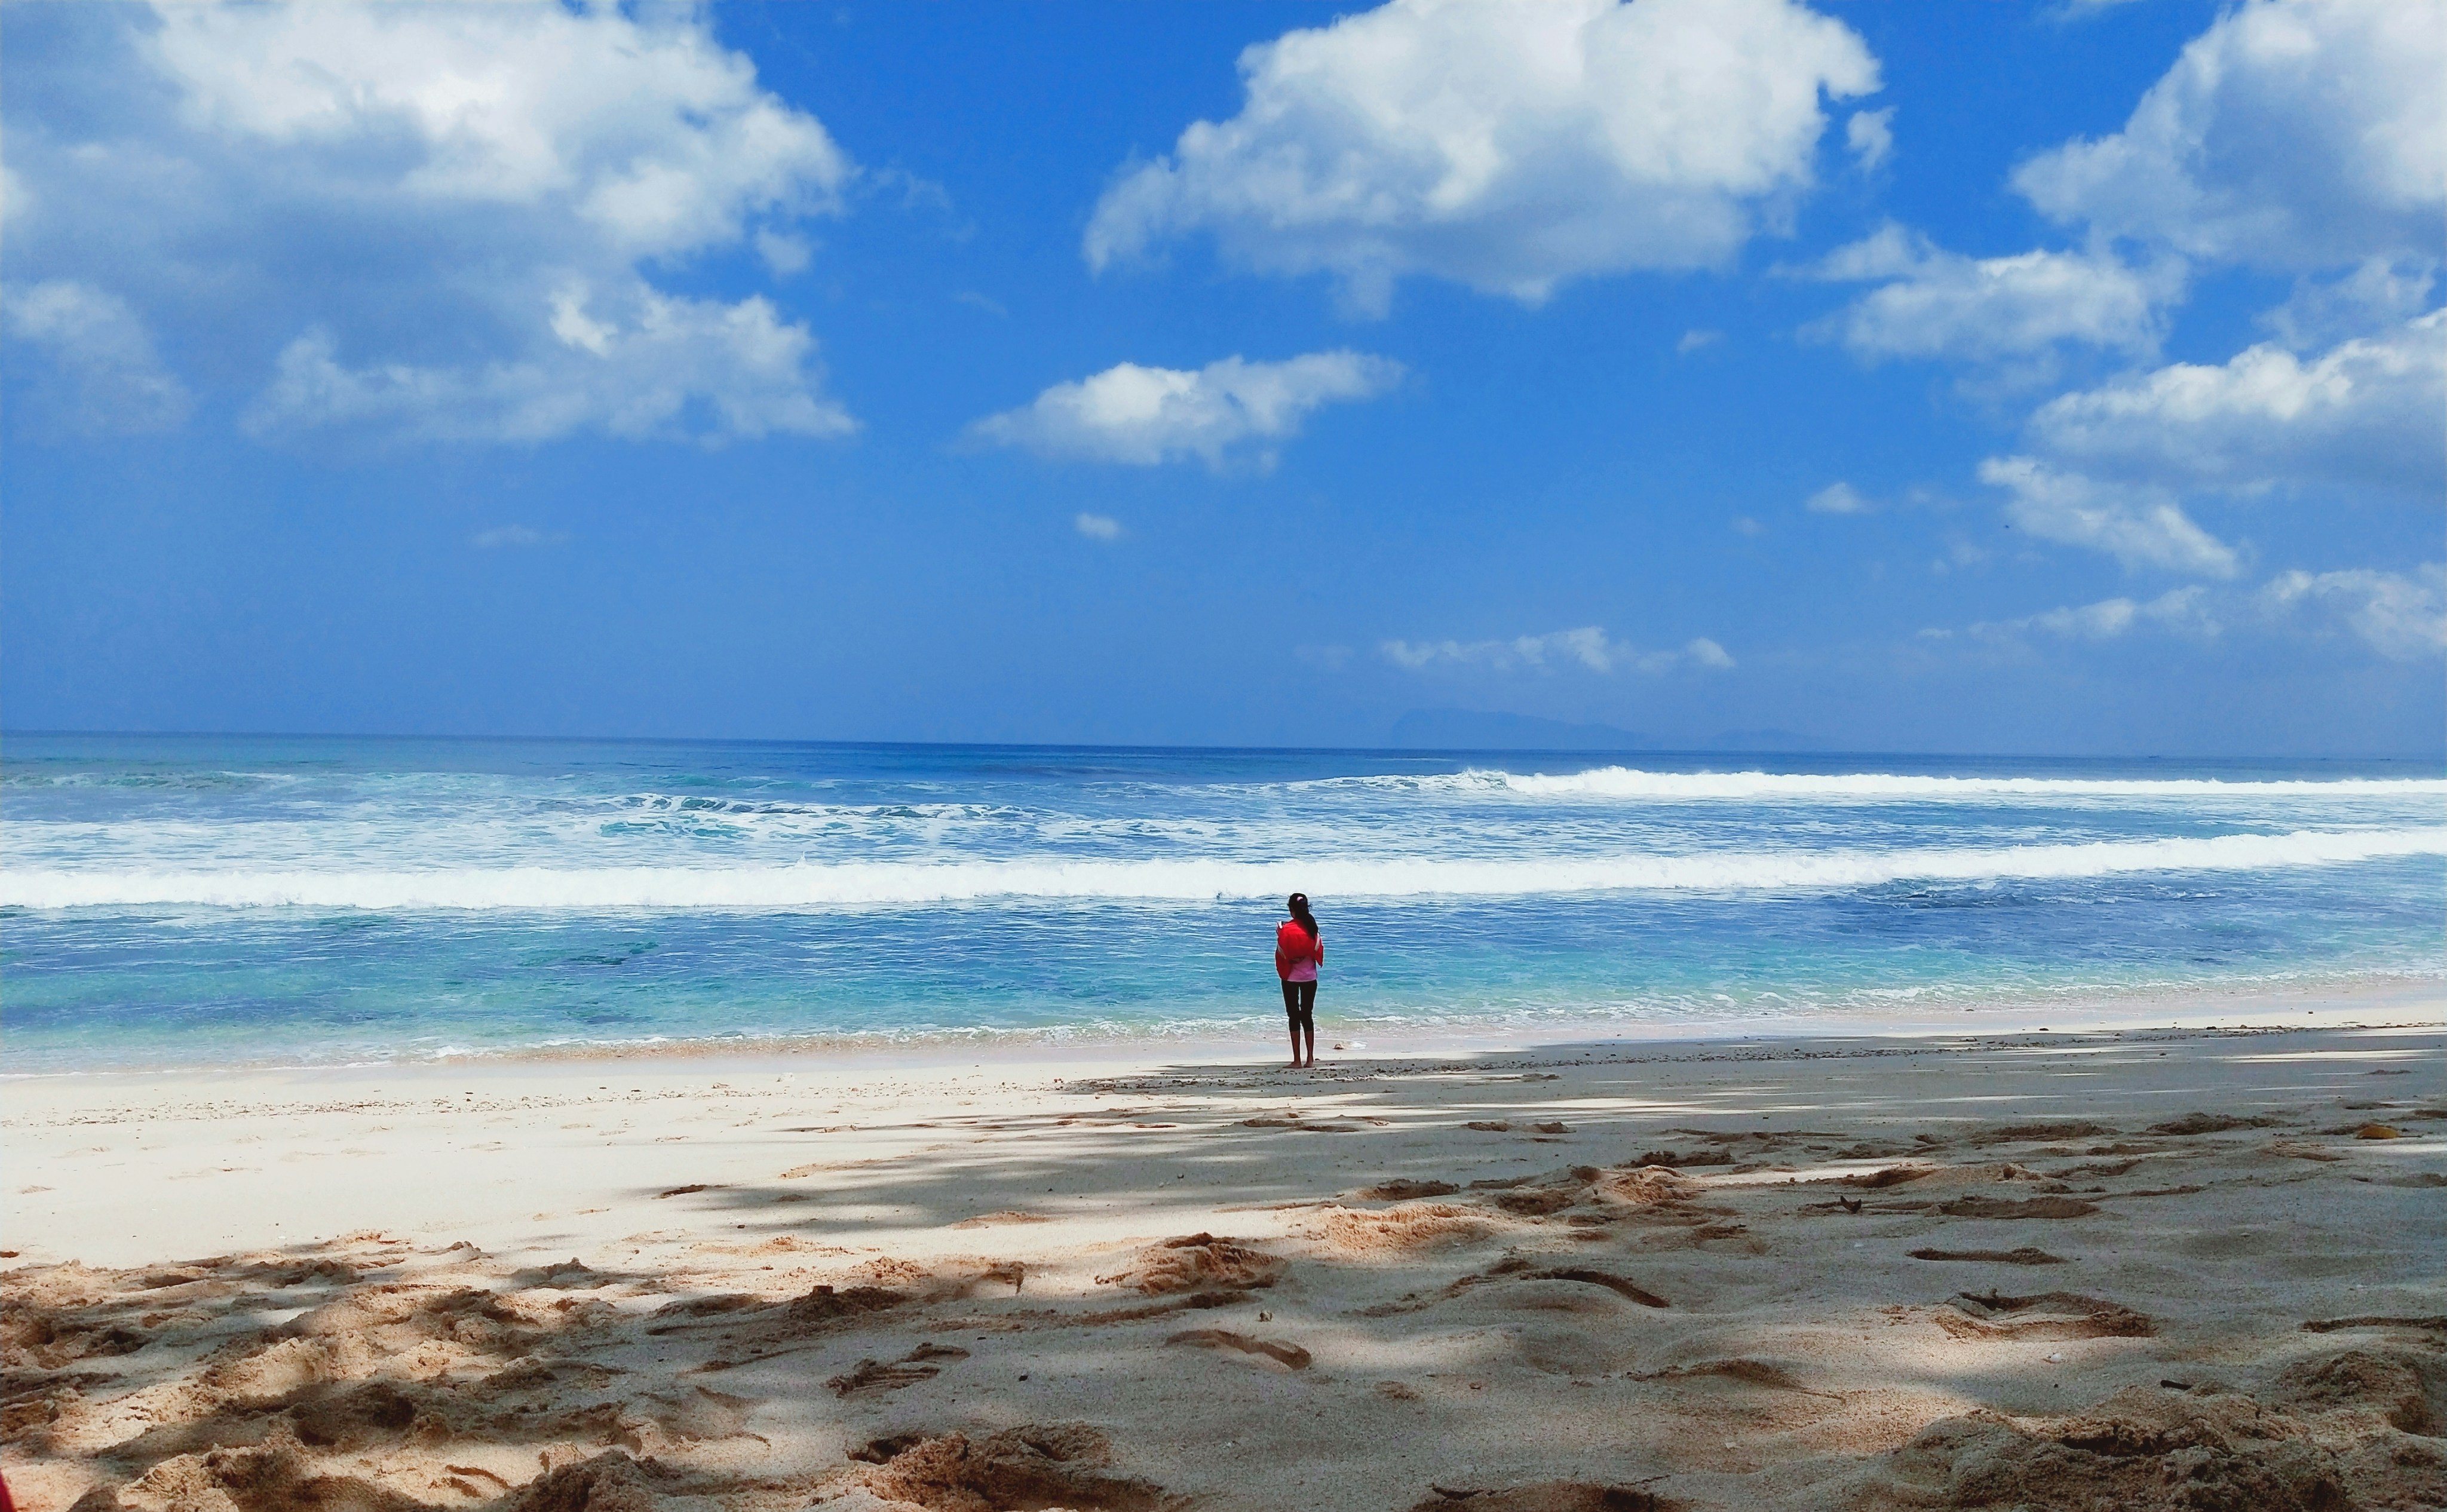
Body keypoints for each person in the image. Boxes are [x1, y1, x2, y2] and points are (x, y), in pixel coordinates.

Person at [1274, 892, 1322, 1068]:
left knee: (1293, 1016)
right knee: (1307, 1016)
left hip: (1291, 979)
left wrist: (1280, 933)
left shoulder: (1286, 930)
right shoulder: (1313, 928)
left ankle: (1297, 1060)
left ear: (1291, 910)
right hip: (1310, 978)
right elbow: (1318, 951)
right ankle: (1310, 1059)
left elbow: (1283, 954)